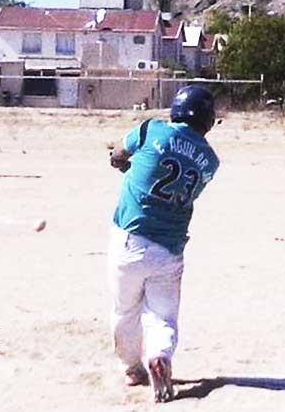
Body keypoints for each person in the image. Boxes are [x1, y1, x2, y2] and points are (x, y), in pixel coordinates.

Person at [107, 85, 220, 403]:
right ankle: (159, 356)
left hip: (130, 238)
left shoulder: (151, 129)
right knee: (163, 316)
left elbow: (119, 156)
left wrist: (125, 165)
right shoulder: (211, 161)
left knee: (125, 309)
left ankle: (132, 368)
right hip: (170, 248)